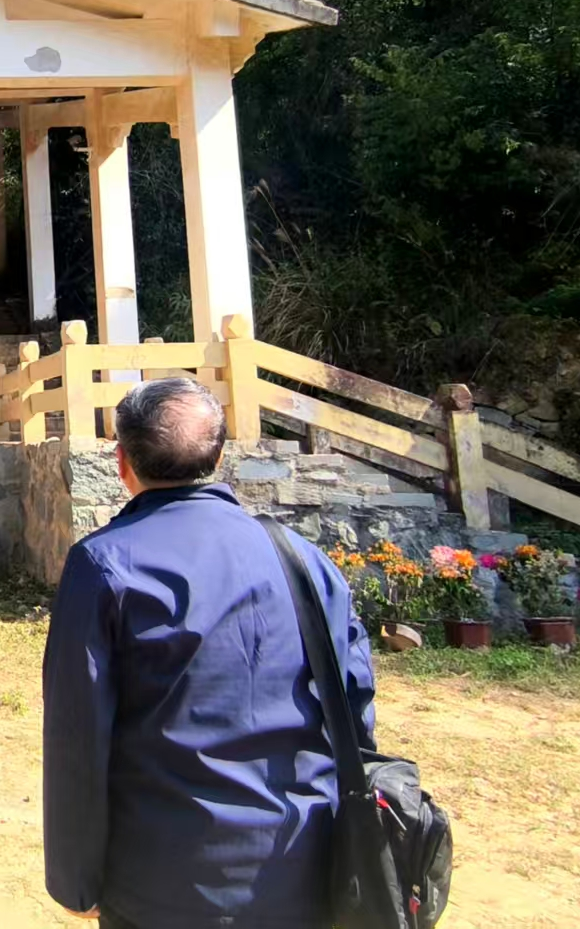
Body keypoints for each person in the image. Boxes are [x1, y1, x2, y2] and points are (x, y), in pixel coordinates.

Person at [41, 376, 377, 929]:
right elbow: (355, 707)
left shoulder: (105, 566)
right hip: (307, 864)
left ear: (121, 461)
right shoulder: (303, 559)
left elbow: (77, 737)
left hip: (163, 882)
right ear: (219, 456)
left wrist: (76, 880)